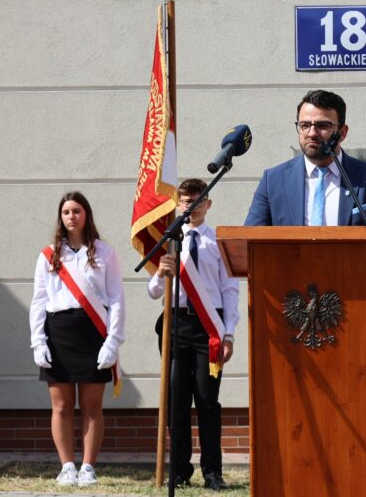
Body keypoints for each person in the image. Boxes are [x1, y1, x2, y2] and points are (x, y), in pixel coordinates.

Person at [147, 179, 240, 491]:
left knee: (207, 400)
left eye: (198, 201)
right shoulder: (170, 241)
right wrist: (161, 273)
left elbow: (229, 290)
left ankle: (212, 471)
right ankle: (179, 470)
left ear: (208, 204)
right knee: (176, 400)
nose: (192, 206)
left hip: (208, 328)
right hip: (176, 326)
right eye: (186, 201)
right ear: (178, 203)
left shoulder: (217, 241)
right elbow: (153, 292)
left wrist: (229, 335)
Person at [29, 192, 125, 487]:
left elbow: (116, 299)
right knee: (61, 406)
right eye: (67, 211)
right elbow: (38, 300)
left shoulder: (105, 252)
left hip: (92, 331)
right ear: (61, 217)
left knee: (91, 405)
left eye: (77, 211)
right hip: (58, 332)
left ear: (87, 215)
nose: (72, 216)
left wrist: (113, 341)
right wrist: (38, 341)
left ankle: (88, 467)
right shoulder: (49, 255)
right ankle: (67, 466)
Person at [244, 89, 366, 249]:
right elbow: (249, 243)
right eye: (304, 125)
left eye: (322, 125)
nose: (312, 133)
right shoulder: (273, 180)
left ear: (342, 132)